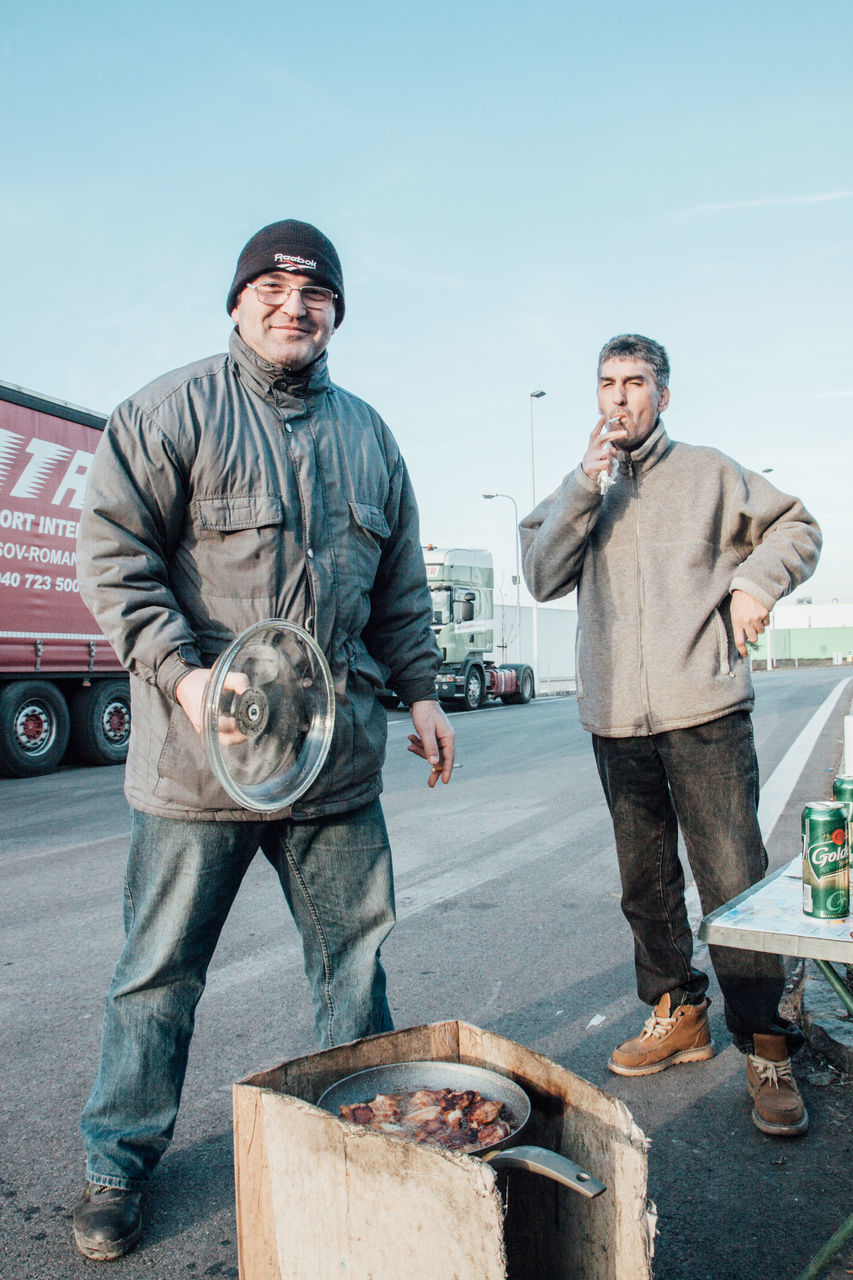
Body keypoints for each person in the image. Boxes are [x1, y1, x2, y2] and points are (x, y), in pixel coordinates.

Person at [73, 219, 455, 1261]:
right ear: (238, 302)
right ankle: (118, 1157)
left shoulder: (370, 435)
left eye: (316, 290)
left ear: (336, 312)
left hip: (333, 764)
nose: (295, 303)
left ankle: (354, 1140)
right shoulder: (169, 412)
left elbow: (399, 586)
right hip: (201, 763)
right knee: (158, 971)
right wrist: (184, 675)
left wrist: (420, 691)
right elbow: (112, 557)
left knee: (354, 964)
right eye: (274, 286)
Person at [520, 333, 821, 1140]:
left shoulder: (711, 473)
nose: (620, 397)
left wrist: (754, 584)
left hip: (706, 712)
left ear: (662, 395)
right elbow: (540, 575)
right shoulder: (581, 485)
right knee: (644, 885)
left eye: (637, 383)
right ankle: (678, 1013)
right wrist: (584, 489)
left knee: (733, 884)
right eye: (608, 383)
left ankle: (765, 1047)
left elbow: (797, 526)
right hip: (616, 720)